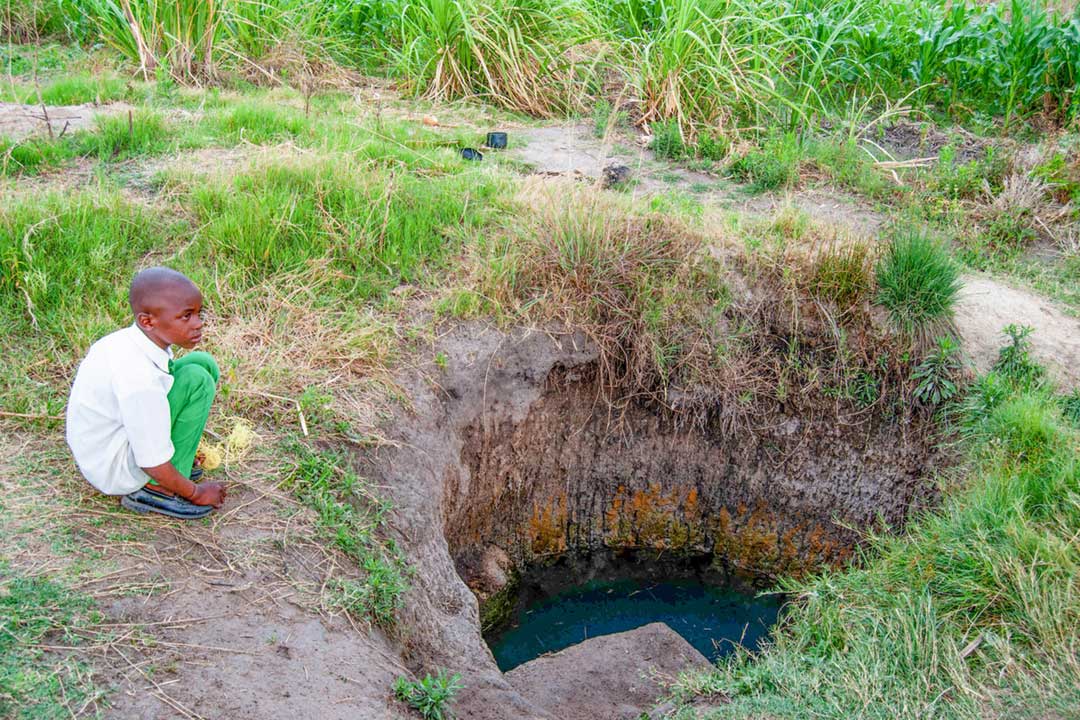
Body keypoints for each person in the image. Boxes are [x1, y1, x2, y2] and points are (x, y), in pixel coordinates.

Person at [66, 267, 227, 519]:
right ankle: (158, 488)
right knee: (197, 381)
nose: (198, 323)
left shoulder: (132, 341)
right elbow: (151, 461)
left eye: (198, 313)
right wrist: (195, 493)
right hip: (115, 466)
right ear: (147, 321)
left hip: (113, 443)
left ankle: (177, 462)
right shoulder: (139, 379)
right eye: (186, 316)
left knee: (203, 363)